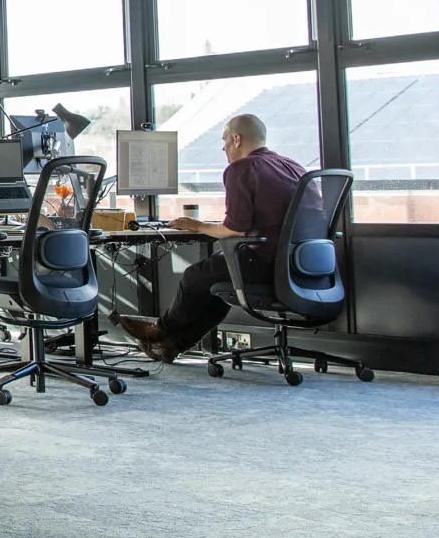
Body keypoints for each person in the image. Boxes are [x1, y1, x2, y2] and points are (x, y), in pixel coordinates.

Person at [113, 113, 307, 363]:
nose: (223, 147)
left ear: (237, 139)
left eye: (224, 140)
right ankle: (172, 346)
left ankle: (159, 330)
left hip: (265, 262)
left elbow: (235, 229)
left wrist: (198, 226)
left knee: (194, 276)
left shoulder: (242, 168)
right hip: (300, 263)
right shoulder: (293, 166)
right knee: (215, 285)